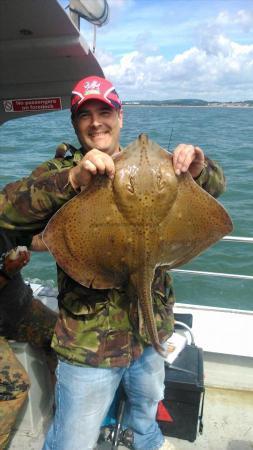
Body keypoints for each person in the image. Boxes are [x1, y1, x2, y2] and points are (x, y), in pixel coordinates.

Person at [0, 75, 226, 450]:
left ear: (120, 116)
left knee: (147, 409)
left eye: (104, 111)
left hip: (149, 328)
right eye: (84, 115)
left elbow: (215, 191)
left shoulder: (166, 166)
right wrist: (72, 179)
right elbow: (6, 211)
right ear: (75, 124)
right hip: (89, 344)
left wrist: (200, 168)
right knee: (72, 440)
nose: (95, 122)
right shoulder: (65, 170)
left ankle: (148, 439)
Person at [0, 228, 57, 450]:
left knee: (65, 342)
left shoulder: (6, 216)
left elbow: (36, 239)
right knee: (13, 385)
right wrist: (6, 271)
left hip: (21, 309)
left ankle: (60, 413)